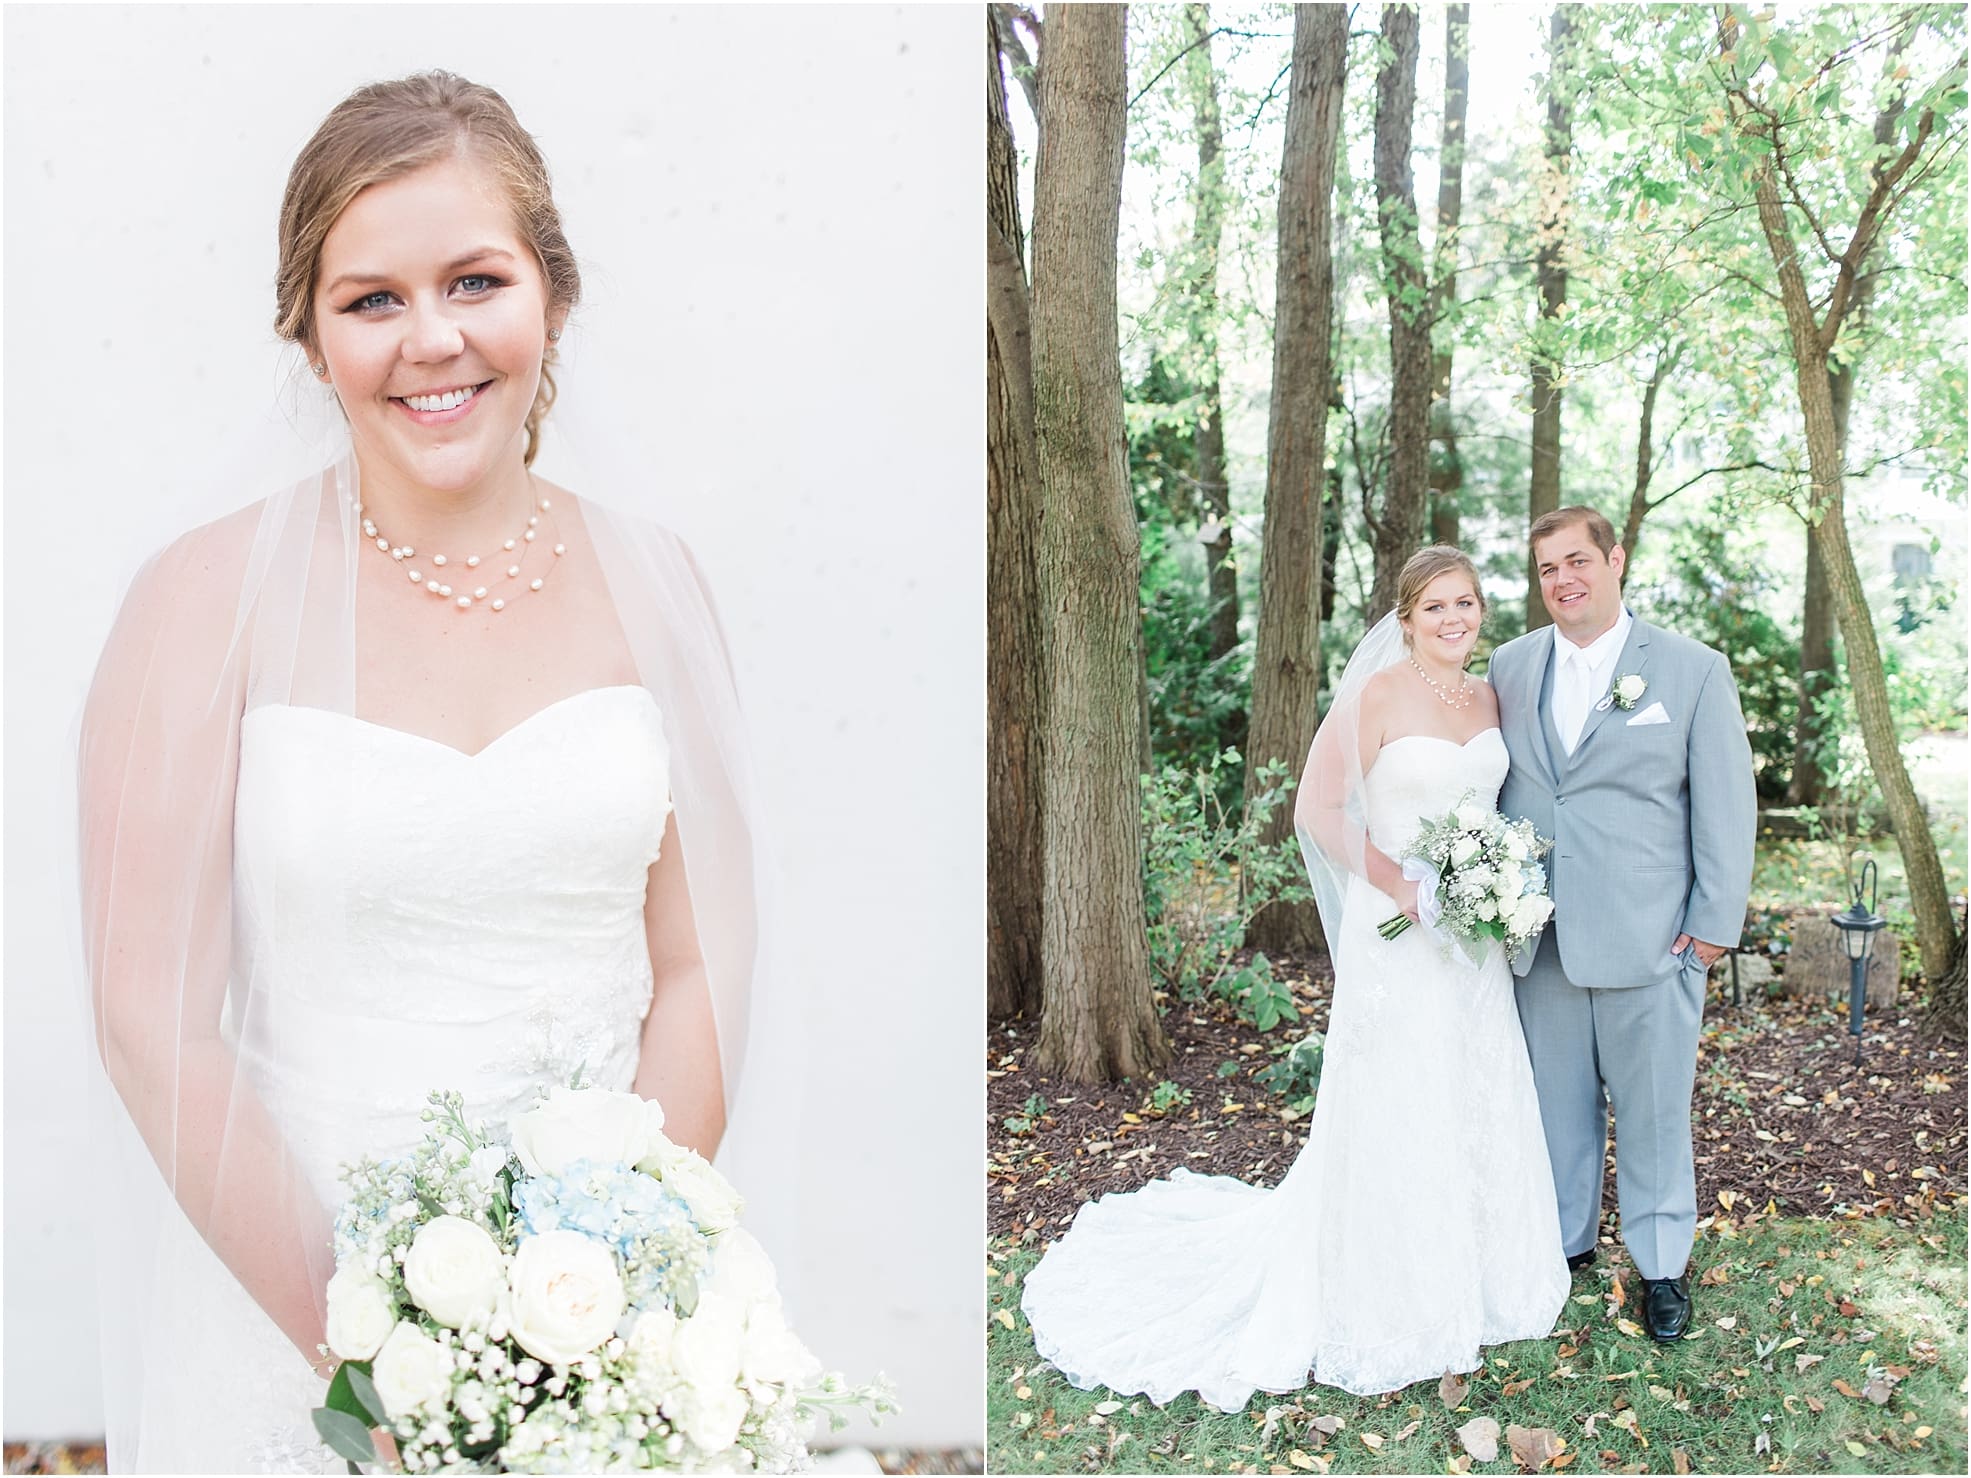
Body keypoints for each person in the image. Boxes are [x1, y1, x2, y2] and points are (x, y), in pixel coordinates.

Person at [78, 74, 769, 1472]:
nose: (432, 339)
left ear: (552, 296)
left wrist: (598, 1294)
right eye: (371, 299)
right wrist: (373, 1362)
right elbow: (152, 1017)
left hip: (603, 1326)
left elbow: (697, 967)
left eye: (474, 280)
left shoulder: (658, 586)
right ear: (309, 329)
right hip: (292, 1302)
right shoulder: (197, 601)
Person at [1020, 547, 1568, 1410]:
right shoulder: (1376, 696)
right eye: (1434, 607)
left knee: (1471, 1090)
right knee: (1398, 1100)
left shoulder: (1489, 695)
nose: (1453, 619)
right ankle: (1394, 1293)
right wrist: (1404, 884)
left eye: (1464, 602)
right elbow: (1316, 810)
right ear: (1405, 617)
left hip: (1469, 943)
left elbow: (1494, 811)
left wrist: (1486, 884)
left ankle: (1485, 1275)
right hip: (1397, 932)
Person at [1490, 506, 1756, 1342]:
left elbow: (1724, 805)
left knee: (1650, 1112)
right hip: (1543, 938)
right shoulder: (1507, 666)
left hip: (1653, 941)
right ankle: (1564, 1244)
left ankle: (1660, 1264)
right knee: (1555, 1109)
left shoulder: (1690, 669)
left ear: (1615, 560)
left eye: (1577, 561)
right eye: (1546, 569)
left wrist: (1711, 926)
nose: (1563, 581)